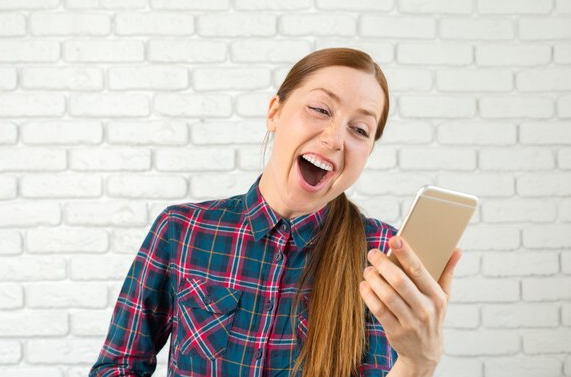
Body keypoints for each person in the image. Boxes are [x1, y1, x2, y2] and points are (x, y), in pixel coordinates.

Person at [89, 47, 462, 377]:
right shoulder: (182, 230)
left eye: (360, 130)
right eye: (319, 109)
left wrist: (418, 364)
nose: (335, 139)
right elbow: (118, 367)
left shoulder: (382, 254)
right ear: (275, 113)